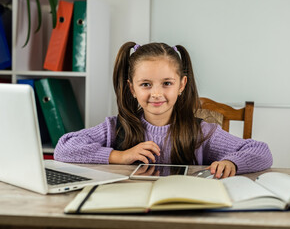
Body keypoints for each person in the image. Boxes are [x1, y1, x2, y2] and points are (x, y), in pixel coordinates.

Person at [54, 42, 273, 178]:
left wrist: (231, 162)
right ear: (132, 88)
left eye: (167, 83)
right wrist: (121, 156)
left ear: (182, 85)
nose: (156, 93)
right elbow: (63, 148)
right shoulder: (115, 128)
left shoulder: (202, 132)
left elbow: (261, 151)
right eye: (146, 84)